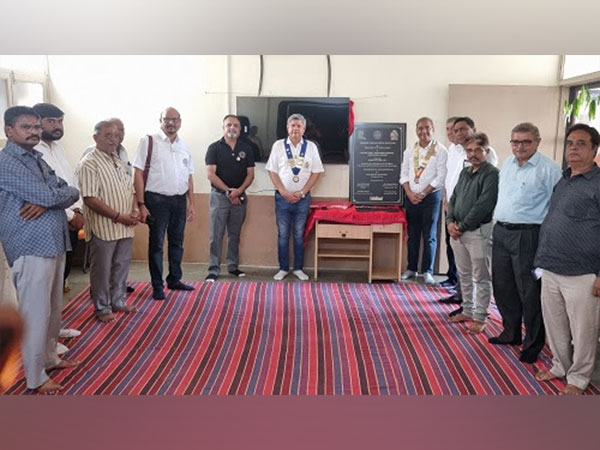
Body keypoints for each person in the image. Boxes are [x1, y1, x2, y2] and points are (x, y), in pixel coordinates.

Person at [0, 106, 80, 394]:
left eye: (36, 127)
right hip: (30, 244)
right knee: (35, 313)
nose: (34, 131)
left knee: (52, 310)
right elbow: (49, 193)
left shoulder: (36, 157)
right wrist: (50, 198)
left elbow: (70, 189)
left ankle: (49, 358)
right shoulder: (6, 162)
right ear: (9, 130)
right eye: (26, 127)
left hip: (54, 241)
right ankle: (35, 377)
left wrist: (49, 200)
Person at [534, 124, 600, 394]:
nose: (573, 148)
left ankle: (578, 378)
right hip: (550, 266)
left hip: (583, 272)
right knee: (555, 324)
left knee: (583, 330)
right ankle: (560, 365)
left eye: (581, 143)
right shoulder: (564, 179)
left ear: (594, 150)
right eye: (570, 143)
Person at [489, 122, 562, 364]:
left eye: (526, 142)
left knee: (529, 293)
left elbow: (557, 207)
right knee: (503, 286)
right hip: (501, 231)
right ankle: (511, 333)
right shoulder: (508, 164)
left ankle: (532, 344)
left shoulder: (549, 169)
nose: (519, 146)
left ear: (538, 142)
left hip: (528, 235)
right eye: (515, 141)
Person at [32, 103, 83, 352]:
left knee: (60, 279)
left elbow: (70, 182)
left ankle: (55, 329)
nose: (57, 126)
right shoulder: (33, 152)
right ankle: (43, 342)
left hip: (69, 221)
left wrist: (80, 210)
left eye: (60, 121)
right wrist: (70, 214)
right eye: (51, 121)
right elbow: (42, 192)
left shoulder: (58, 148)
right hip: (48, 224)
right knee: (43, 285)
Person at [77, 121, 139, 322]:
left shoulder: (118, 160)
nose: (114, 139)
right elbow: (90, 198)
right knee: (102, 270)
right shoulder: (89, 163)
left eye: (116, 135)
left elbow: (129, 190)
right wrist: (118, 216)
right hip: (104, 227)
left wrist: (135, 210)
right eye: (108, 135)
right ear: (95, 138)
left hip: (124, 226)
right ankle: (102, 308)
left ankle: (118, 301)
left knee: (121, 265)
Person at [133, 107, 196, 300]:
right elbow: (137, 172)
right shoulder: (149, 141)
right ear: (160, 121)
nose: (171, 123)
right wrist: (141, 203)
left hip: (179, 200)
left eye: (175, 119)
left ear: (180, 122)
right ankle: (157, 286)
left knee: (177, 243)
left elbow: (189, 176)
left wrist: (191, 203)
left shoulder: (184, 146)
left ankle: (174, 279)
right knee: (157, 245)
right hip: (156, 200)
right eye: (167, 119)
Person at [440, 116, 498, 308]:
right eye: (470, 151)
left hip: (475, 228)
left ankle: (480, 313)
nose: (472, 154)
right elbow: (455, 191)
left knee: (480, 274)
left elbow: (483, 203)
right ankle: (465, 306)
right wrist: (450, 220)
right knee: (463, 272)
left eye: (463, 129)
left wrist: (462, 225)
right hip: (455, 220)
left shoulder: (490, 170)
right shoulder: (458, 157)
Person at [266, 113, 324, 281]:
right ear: (287, 128)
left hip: (302, 199)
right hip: (282, 197)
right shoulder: (278, 146)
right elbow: (272, 171)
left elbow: (316, 172)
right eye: (293, 125)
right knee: (283, 234)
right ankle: (283, 268)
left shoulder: (311, 147)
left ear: (304, 129)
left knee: (299, 234)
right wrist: (284, 192)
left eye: (299, 126)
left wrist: (302, 192)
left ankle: (298, 268)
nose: (295, 129)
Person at [205, 115, 255, 282]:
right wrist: (228, 191)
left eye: (235, 125)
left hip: (239, 198)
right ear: (223, 128)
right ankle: (213, 269)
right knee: (216, 235)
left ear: (240, 129)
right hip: (220, 198)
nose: (232, 128)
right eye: (228, 125)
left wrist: (239, 191)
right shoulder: (214, 148)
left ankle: (233, 266)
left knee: (235, 234)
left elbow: (250, 174)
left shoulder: (247, 148)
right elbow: (210, 174)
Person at [399, 117, 448, 285]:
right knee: (412, 235)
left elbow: (441, 177)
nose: (423, 131)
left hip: (431, 197)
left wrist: (424, 193)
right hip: (411, 196)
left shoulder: (441, 150)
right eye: (420, 128)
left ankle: (428, 270)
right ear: (416, 130)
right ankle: (411, 268)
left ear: (433, 130)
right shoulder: (409, 150)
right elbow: (403, 174)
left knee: (429, 236)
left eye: (427, 128)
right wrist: (409, 192)